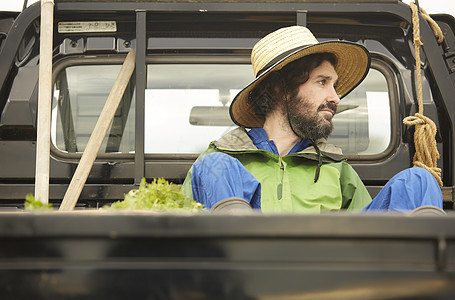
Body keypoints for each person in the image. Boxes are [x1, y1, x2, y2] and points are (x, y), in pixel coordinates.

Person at [182, 25, 444, 214]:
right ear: (280, 88)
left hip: (330, 281)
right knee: (214, 165)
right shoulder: (222, 163)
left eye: (335, 85)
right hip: (244, 280)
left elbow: (366, 238)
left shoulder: (337, 169)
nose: (336, 98)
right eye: (322, 82)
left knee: (419, 181)